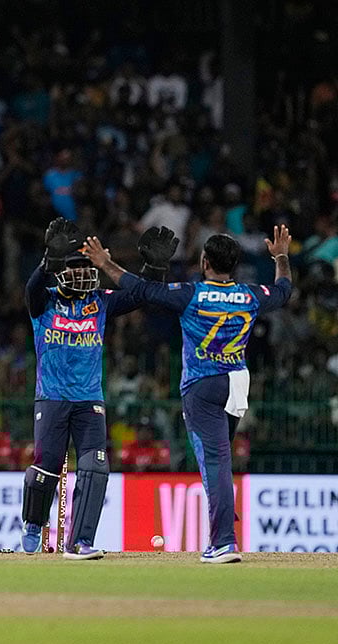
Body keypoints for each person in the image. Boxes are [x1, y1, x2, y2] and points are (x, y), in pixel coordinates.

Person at [83, 225, 293, 564]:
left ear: (205, 262)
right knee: (220, 461)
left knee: (216, 463)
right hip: (237, 382)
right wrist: (281, 256)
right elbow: (284, 290)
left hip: (202, 386)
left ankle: (223, 541)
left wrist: (106, 263)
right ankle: (223, 520)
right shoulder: (251, 294)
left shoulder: (190, 294)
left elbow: (143, 289)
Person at [21, 218, 178, 560]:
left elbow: (139, 295)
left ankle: (79, 542)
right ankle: (33, 521)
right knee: (46, 468)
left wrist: (153, 269)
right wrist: (48, 259)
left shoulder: (101, 301)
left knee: (96, 468)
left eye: (84, 267)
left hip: (89, 400)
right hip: (52, 397)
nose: (80, 274)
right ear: (60, 271)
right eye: (73, 267)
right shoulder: (44, 301)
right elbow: (30, 289)